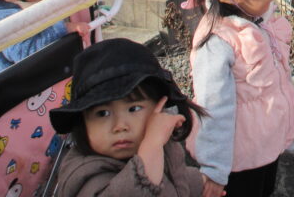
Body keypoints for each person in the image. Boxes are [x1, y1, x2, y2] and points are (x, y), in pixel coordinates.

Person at [183, 0, 294, 197]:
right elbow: (213, 109)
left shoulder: (253, 21)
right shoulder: (217, 42)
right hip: (237, 163)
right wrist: (214, 170)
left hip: (263, 148)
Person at [49, 38, 205, 197]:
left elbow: (176, 180)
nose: (120, 126)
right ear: (83, 122)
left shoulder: (157, 145)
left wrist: (203, 182)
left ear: (159, 107)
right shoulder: (85, 173)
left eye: (134, 109)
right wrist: (152, 144)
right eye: (103, 113)